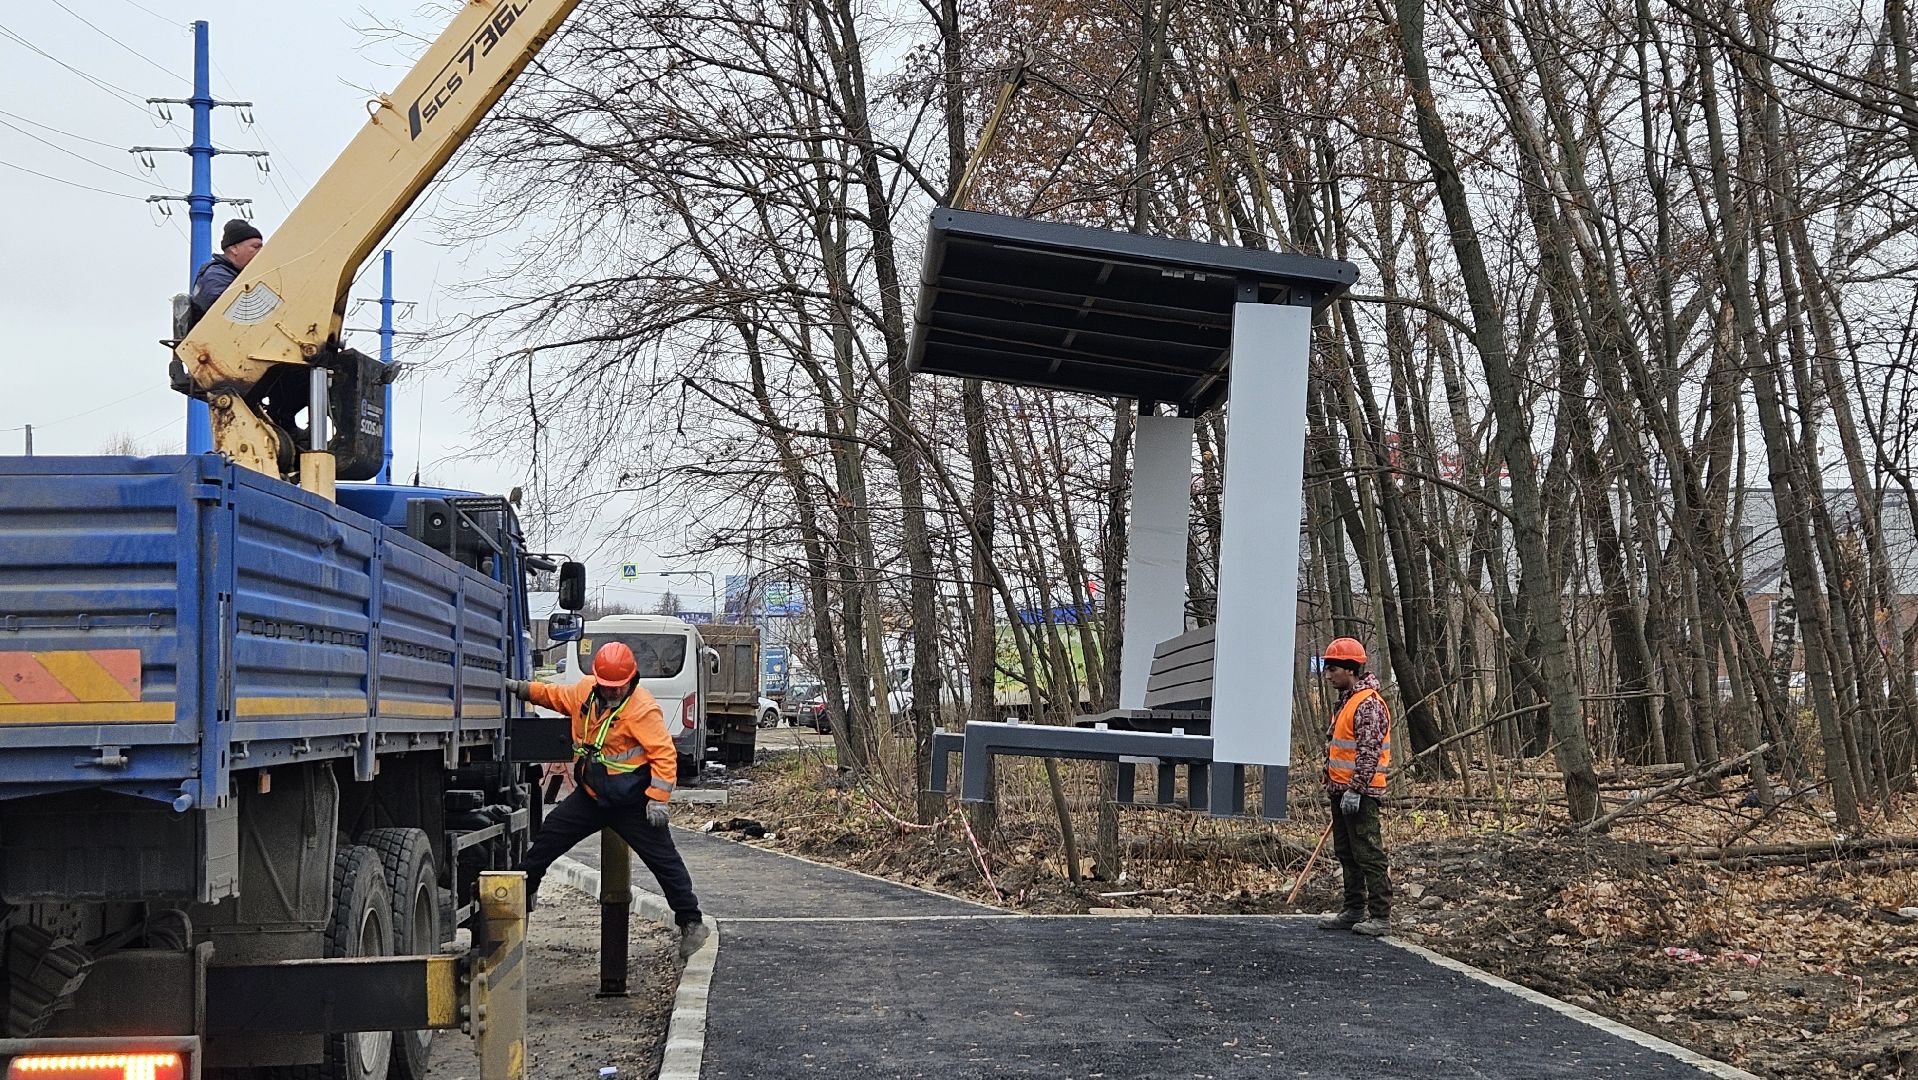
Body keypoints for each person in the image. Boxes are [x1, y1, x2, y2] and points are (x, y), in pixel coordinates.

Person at [506, 641, 709, 958]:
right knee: (547, 840)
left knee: (664, 861)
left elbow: (664, 755)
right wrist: (520, 689)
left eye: (620, 686)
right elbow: (554, 696)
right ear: (598, 681)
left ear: (632, 679)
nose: (614, 692)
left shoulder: (642, 709)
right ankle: (516, 897)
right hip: (592, 796)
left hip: (633, 803)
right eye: (608, 686)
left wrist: (657, 800)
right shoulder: (585, 692)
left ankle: (692, 923)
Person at [1316, 637, 1394, 937]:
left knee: (1368, 853)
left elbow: (1369, 751)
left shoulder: (1368, 704)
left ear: (1350, 669)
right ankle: (1353, 910)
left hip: (1360, 794)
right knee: (1347, 853)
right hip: (1341, 792)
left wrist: (1356, 789)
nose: (1329, 675)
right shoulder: (1348, 701)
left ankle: (1380, 916)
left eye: (1333, 669)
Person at [190, 218, 265, 326]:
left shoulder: (236, 273)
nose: (261, 252)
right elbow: (225, 311)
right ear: (234, 249)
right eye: (255, 247)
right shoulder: (215, 276)